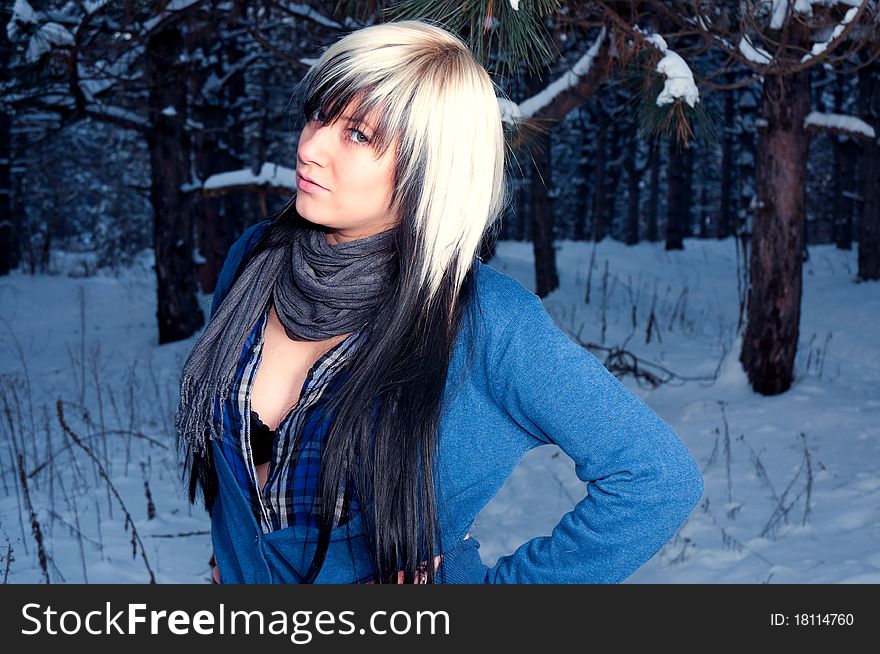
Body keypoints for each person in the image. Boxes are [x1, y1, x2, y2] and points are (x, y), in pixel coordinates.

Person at [175, 19, 704, 585]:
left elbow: (657, 479)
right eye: (317, 115)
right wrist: (236, 550)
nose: (310, 146)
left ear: (432, 167)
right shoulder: (255, 261)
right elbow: (237, 459)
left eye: (357, 135)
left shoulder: (488, 322)